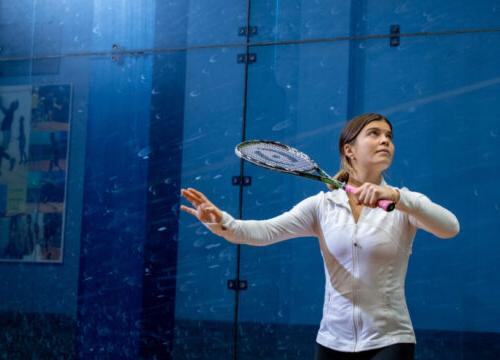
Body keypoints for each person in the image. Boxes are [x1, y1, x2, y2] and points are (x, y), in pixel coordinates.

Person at [180, 113, 460, 360]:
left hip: (390, 341)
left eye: (389, 136)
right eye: (374, 134)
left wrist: (398, 198)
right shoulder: (321, 206)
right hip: (331, 342)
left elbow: (450, 228)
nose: (385, 140)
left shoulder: (405, 203)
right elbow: (263, 232)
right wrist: (221, 221)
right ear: (349, 150)